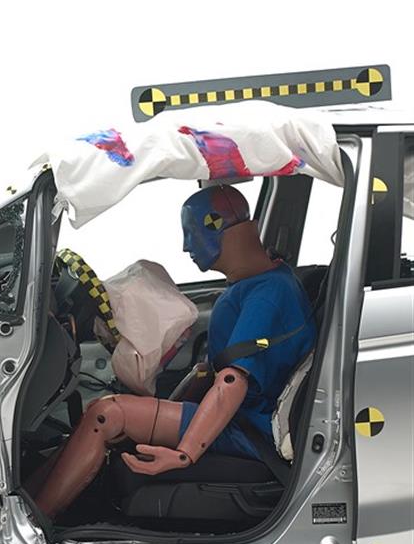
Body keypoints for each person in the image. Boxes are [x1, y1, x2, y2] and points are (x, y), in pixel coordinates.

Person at [33, 184, 316, 520]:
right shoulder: (257, 283)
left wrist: (184, 453)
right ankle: (26, 502)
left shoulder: (267, 295)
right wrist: (162, 407)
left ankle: (34, 523)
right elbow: (210, 371)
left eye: (191, 232)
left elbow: (231, 380)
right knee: (98, 413)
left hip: (249, 430)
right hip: (239, 419)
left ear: (217, 226)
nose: (186, 246)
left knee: (105, 415)